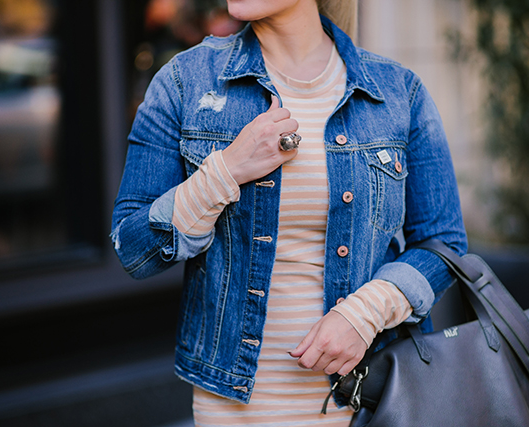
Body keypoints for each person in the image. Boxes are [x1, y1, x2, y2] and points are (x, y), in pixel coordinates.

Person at [111, 0, 467, 425]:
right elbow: (133, 246)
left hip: (371, 400)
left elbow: (443, 242)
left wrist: (364, 314)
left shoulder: (397, 92)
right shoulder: (185, 83)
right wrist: (224, 172)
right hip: (233, 407)